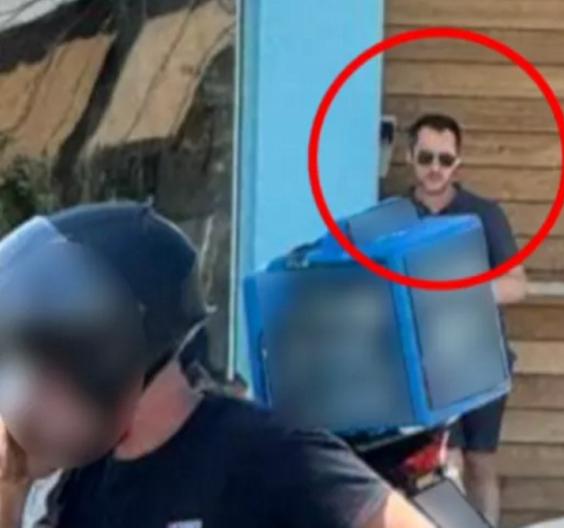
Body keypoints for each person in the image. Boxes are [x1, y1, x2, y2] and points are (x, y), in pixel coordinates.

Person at [0, 202, 432, 528]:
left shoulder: (267, 455)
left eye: (50, 369)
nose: (33, 392)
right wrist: (10, 490)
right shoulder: (85, 484)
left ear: (106, 353)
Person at [402, 113, 528, 525]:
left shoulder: (484, 214)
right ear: (409, 157)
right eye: (426, 158)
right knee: (444, 462)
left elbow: (516, 285)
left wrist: (457, 291)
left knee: (480, 462)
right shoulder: (392, 216)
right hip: (424, 363)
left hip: (482, 357)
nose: (435, 169)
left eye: (445, 159)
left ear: (458, 162)